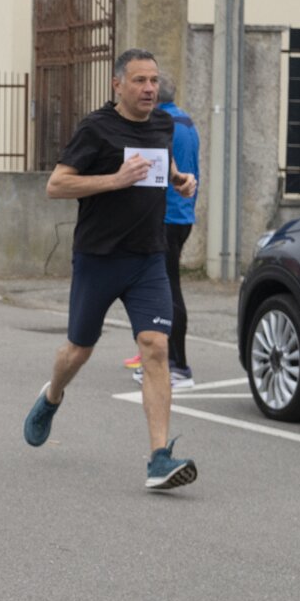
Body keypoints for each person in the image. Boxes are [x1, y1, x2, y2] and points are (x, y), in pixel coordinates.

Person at [22, 48, 200, 490]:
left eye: (154, 80)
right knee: (78, 350)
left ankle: (159, 457)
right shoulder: (96, 128)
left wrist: (179, 179)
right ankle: (52, 396)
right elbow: (57, 184)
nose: (149, 88)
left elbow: (163, 163)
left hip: (148, 257)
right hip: (99, 258)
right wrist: (115, 180)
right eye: (139, 80)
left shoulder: (163, 124)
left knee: (155, 346)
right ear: (117, 85)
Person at [129, 74, 200, 390]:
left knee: (167, 289)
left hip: (167, 215)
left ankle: (176, 365)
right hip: (182, 214)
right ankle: (162, 360)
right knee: (165, 285)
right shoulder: (186, 122)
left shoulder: (161, 124)